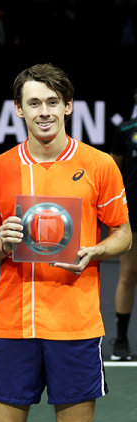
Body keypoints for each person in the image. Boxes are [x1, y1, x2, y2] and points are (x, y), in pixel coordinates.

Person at [0, 63, 130, 422]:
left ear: (68, 107)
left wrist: (98, 250)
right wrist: (1, 242)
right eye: (34, 103)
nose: (44, 111)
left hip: (75, 325)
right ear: (18, 110)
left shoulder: (100, 165)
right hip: (13, 326)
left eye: (52, 102)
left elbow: (122, 233)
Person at [109, 87, 137, 360]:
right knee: (128, 275)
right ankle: (120, 341)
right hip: (134, 213)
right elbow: (115, 173)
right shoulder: (127, 129)